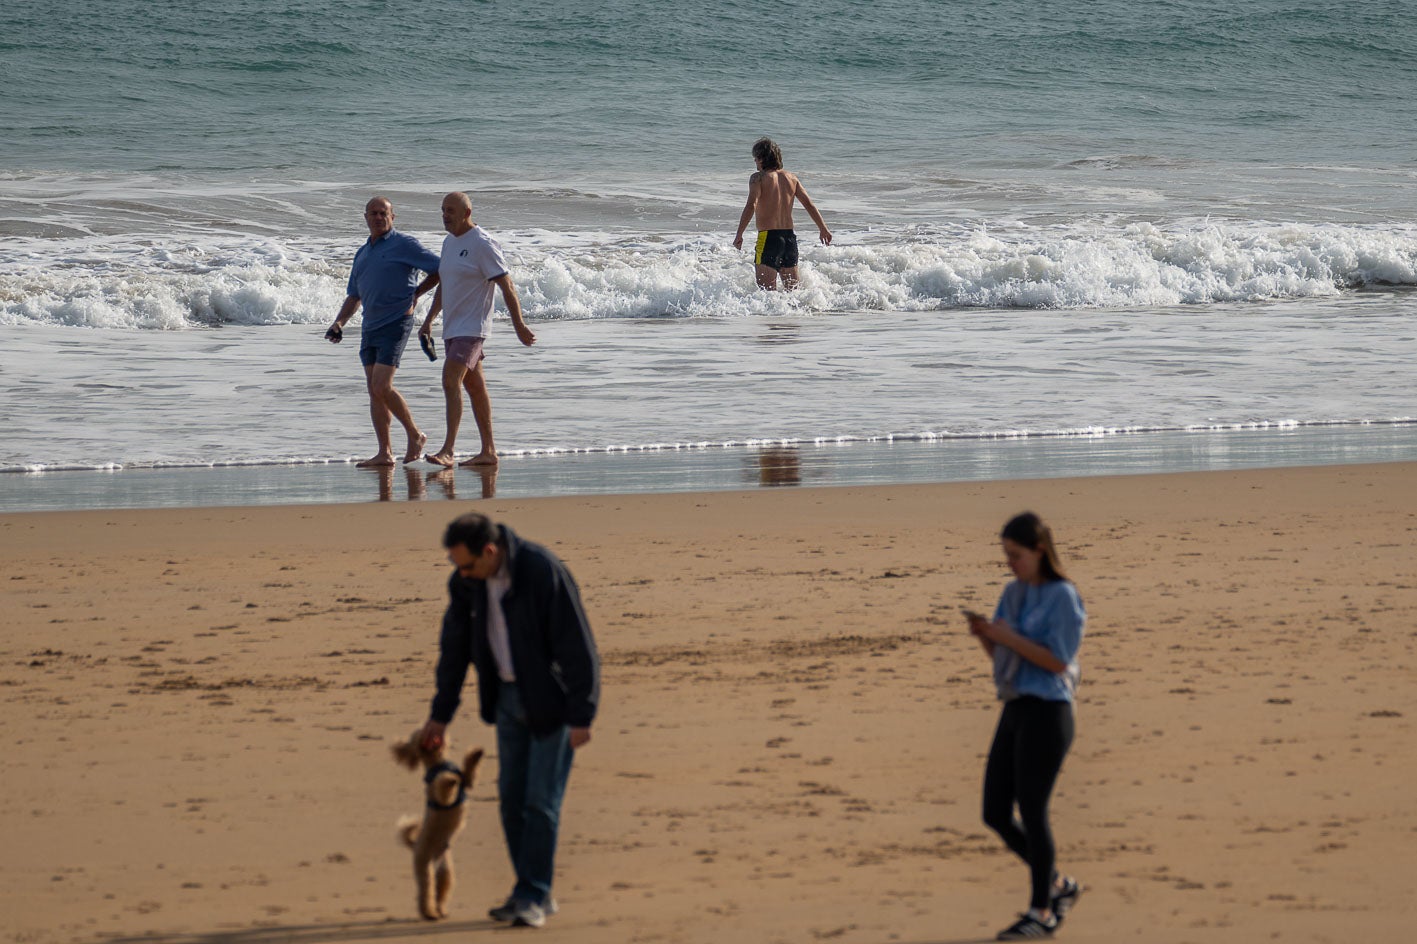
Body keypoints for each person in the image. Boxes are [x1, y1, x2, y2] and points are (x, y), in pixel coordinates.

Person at [419, 512, 600, 929]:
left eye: (467, 565)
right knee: (511, 800)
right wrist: (440, 715)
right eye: (455, 565)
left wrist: (582, 713)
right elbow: (455, 647)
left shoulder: (541, 570)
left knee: (540, 801)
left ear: (490, 551)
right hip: (505, 700)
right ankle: (531, 890)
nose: (461, 574)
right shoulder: (467, 583)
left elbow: (578, 644)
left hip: (551, 704)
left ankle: (532, 895)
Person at [965, 512, 1085, 941]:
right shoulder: (1013, 593)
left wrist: (1008, 638)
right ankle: (1058, 886)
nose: (1010, 564)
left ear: (1039, 551)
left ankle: (1042, 913)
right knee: (995, 811)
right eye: (1006, 556)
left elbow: (1057, 662)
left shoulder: (1063, 596)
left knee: (1033, 809)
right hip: (1015, 706)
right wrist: (985, 635)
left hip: (1050, 712)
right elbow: (1004, 657)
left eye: (1016, 555)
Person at [419, 192, 536, 468]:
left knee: (450, 380)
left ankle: (448, 450)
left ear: (467, 213)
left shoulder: (483, 244)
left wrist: (519, 324)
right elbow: (444, 285)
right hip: (453, 327)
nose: (445, 215)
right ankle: (489, 451)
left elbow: (506, 285)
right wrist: (429, 320)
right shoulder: (449, 243)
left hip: (472, 328)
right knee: (475, 386)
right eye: (442, 210)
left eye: (450, 210)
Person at [325, 196, 440, 467]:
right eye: (373, 213)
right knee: (374, 390)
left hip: (397, 322)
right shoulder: (363, 253)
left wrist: (418, 294)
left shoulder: (405, 244)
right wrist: (339, 323)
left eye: (383, 213)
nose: (378, 218)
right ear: (365, 217)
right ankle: (385, 452)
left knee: (382, 385)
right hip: (370, 326)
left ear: (393, 217)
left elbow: (439, 269)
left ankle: (415, 435)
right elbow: (354, 296)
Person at [732, 137, 832, 290]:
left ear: (762, 158)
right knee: (793, 295)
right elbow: (809, 204)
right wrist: (823, 228)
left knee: (766, 294)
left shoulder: (757, 178)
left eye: (756, 158)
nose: (755, 162)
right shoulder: (791, 178)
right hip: (789, 240)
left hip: (768, 239)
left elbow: (751, 205)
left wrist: (739, 234)